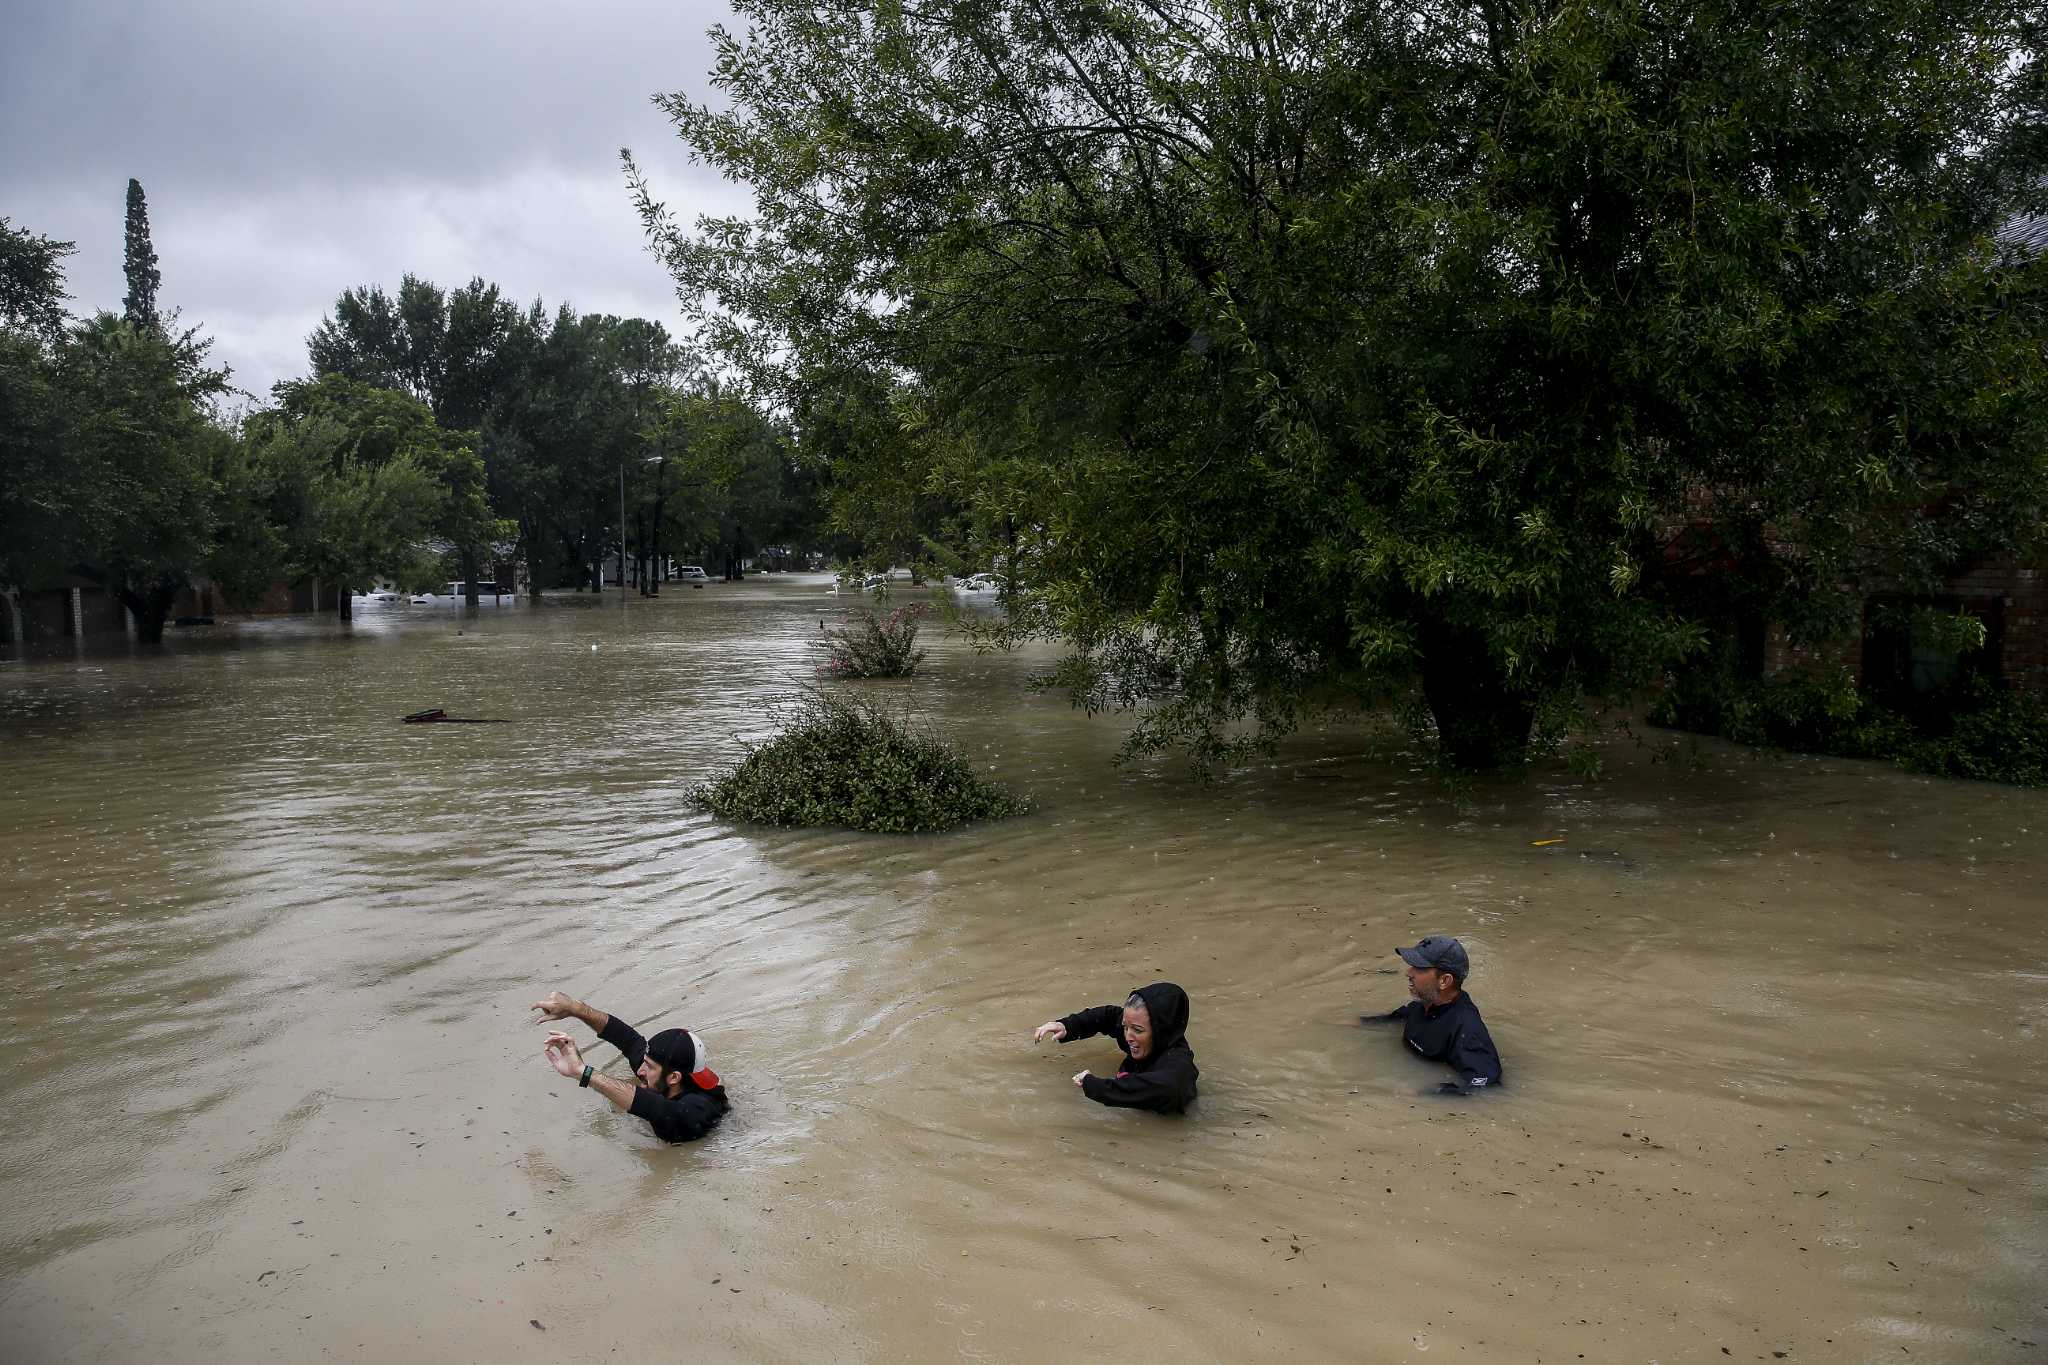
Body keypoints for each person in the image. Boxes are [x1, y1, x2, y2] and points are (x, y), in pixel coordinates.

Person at [533, 989, 729, 1142]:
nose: (640, 1070)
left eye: (649, 1066)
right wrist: (575, 1009)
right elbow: (628, 1039)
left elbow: (656, 1108)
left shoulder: (697, 1110)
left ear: (674, 1078)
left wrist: (581, 1072)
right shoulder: (661, 1074)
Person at [1362, 936, 1503, 1096]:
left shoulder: (1466, 1029)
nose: (1408, 973)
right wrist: (1360, 1022)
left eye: (1419, 968)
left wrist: (1424, 1092)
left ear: (1444, 981)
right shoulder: (1425, 1002)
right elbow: (1398, 1017)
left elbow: (1486, 1085)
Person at [1031, 981, 1198, 1114]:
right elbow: (1108, 1016)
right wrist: (1066, 1026)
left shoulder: (1177, 1068)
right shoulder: (1138, 1034)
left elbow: (1163, 1089)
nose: (1127, 1036)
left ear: (1161, 1030)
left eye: (1137, 1030)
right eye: (1125, 1027)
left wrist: (1095, 1086)